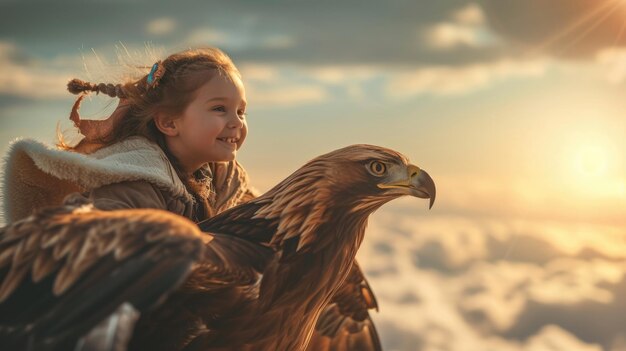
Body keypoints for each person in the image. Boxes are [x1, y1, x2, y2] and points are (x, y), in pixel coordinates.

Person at [1, 47, 259, 225]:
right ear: (169, 122)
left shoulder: (223, 178)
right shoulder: (138, 181)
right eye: (219, 109)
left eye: (241, 111)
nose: (236, 122)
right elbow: (98, 238)